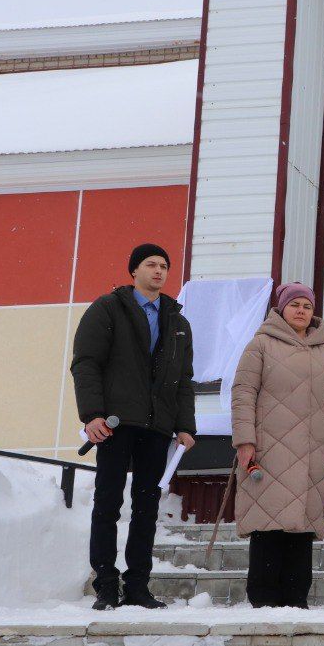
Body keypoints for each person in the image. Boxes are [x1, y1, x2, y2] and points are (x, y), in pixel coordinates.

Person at [71, 244, 196, 611]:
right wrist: (92, 414)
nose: (159, 271)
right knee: (107, 503)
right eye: (151, 264)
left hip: (157, 428)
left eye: (164, 266)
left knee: (146, 508)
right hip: (115, 424)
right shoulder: (108, 309)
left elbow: (183, 379)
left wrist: (185, 426)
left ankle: (138, 585)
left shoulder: (178, 322)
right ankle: (106, 584)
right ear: (133, 270)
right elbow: (86, 363)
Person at [230, 283, 324, 608]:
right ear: (281, 309)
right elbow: (243, 394)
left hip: (311, 452)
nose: (301, 310)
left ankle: (296, 599)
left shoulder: (323, 352)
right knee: (268, 526)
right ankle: (264, 599)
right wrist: (244, 440)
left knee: (302, 529)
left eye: (307, 306)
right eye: (294, 304)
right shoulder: (260, 345)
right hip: (269, 451)